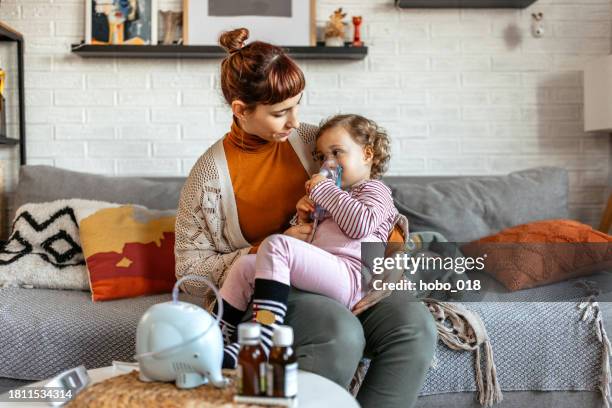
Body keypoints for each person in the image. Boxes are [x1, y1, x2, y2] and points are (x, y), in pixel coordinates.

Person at [175, 27, 437, 408]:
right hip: (274, 290)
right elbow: (189, 269)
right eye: (280, 112)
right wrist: (264, 247)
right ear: (241, 110)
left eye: (298, 104)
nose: (295, 121)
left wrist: (387, 265)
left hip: (348, 272)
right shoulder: (208, 177)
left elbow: (379, 209)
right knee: (339, 331)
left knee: (414, 326)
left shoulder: (315, 143)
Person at [216, 113, 406, 368]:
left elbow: (361, 225)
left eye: (337, 152)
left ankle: (262, 337)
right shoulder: (335, 197)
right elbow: (306, 246)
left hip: (351, 277)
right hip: (327, 271)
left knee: (275, 244)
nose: (328, 163)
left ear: (367, 154)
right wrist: (302, 218)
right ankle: (218, 336)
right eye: (322, 157)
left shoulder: (376, 190)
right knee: (246, 265)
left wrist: (324, 190)